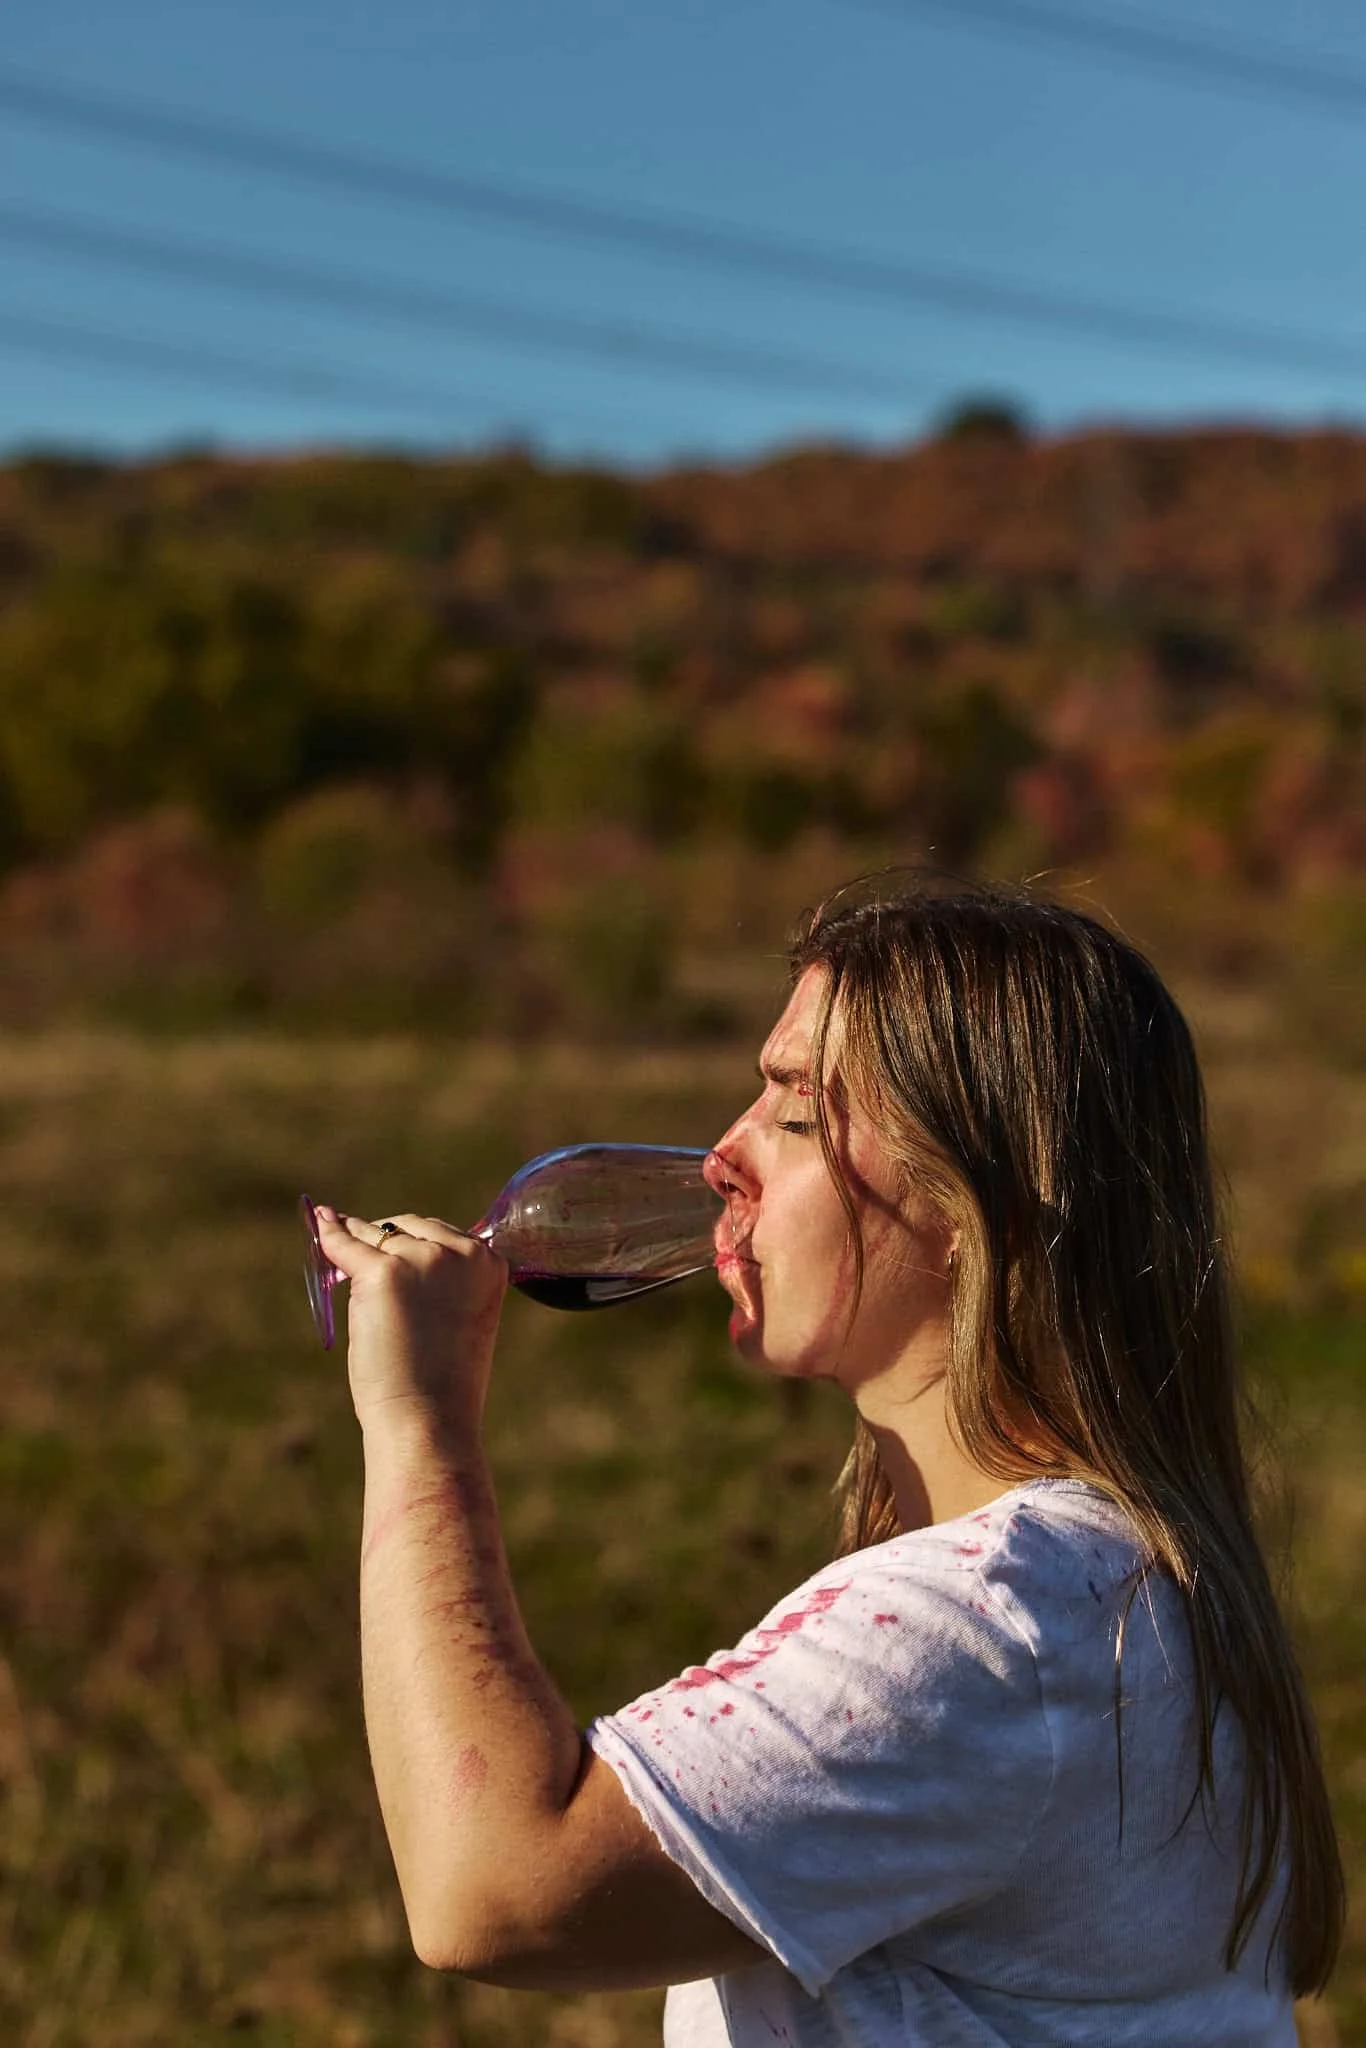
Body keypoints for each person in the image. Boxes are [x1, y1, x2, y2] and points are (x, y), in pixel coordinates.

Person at [312, 874, 1343, 2045]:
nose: (719, 1155)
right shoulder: (1113, 1587)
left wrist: (418, 1422)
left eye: (796, 1115)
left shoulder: (996, 1625)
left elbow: (493, 1890)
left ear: (977, 1200)